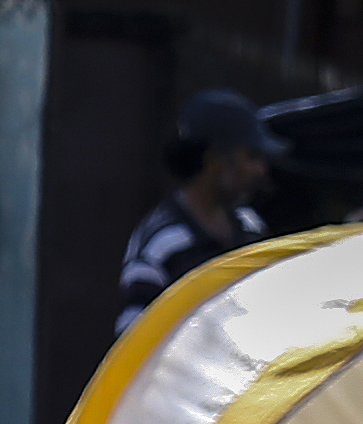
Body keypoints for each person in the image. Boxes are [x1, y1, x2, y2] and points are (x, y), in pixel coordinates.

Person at [112, 89, 277, 330]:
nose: (260, 170)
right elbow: (134, 345)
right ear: (214, 162)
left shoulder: (251, 227)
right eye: (251, 156)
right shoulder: (160, 245)